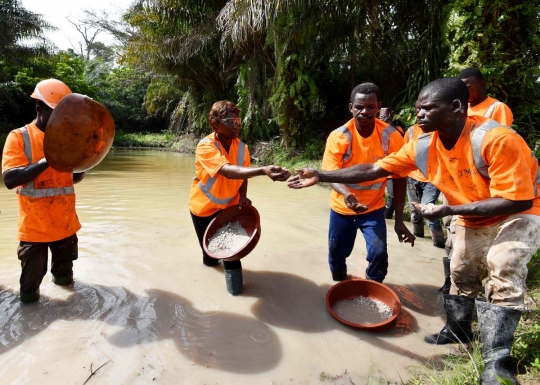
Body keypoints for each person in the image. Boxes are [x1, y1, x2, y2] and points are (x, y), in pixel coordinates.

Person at [288, 77, 540, 385]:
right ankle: (459, 329)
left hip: (519, 211)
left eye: (427, 109)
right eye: (418, 109)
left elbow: (517, 198)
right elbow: (374, 169)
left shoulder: (494, 139)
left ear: (456, 107)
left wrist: (449, 210)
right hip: (471, 212)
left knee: (502, 267)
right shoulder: (422, 145)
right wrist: (320, 173)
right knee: (460, 272)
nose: (418, 115)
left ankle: (497, 363)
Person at [189, 100, 290, 295]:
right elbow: (227, 171)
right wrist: (263, 170)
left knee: (230, 254)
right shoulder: (206, 146)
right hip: (203, 209)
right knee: (210, 256)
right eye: (230, 120)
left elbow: (242, 174)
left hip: (229, 207)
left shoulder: (242, 147)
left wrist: (243, 196)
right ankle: (207, 285)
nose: (236, 124)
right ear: (215, 124)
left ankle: (236, 295)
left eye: (238, 119)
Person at [1, 79, 86, 304]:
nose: (64, 119)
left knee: (65, 281)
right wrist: (47, 159)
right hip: (34, 229)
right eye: (57, 113)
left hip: (65, 225)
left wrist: (83, 163)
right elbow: (10, 179)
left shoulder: (68, 139)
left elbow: (71, 178)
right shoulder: (19, 137)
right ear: (40, 109)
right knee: (29, 292)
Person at [320, 83, 414, 283]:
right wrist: (347, 195)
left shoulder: (391, 136)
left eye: (371, 107)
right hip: (342, 210)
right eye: (359, 107)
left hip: (373, 209)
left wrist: (398, 221)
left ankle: (373, 286)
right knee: (336, 253)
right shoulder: (339, 137)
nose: (365, 112)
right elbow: (330, 174)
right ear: (351, 107)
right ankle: (339, 281)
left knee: (379, 254)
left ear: (379, 107)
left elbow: (399, 177)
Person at [378, 107, 404, 220]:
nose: (380, 119)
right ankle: (384, 215)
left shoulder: (397, 129)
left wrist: (389, 125)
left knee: (392, 194)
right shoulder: (377, 129)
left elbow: (399, 138)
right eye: (379, 117)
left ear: (389, 117)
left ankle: (387, 216)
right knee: (382, 193)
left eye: (382, 117)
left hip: (394, 166)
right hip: (381, 164)